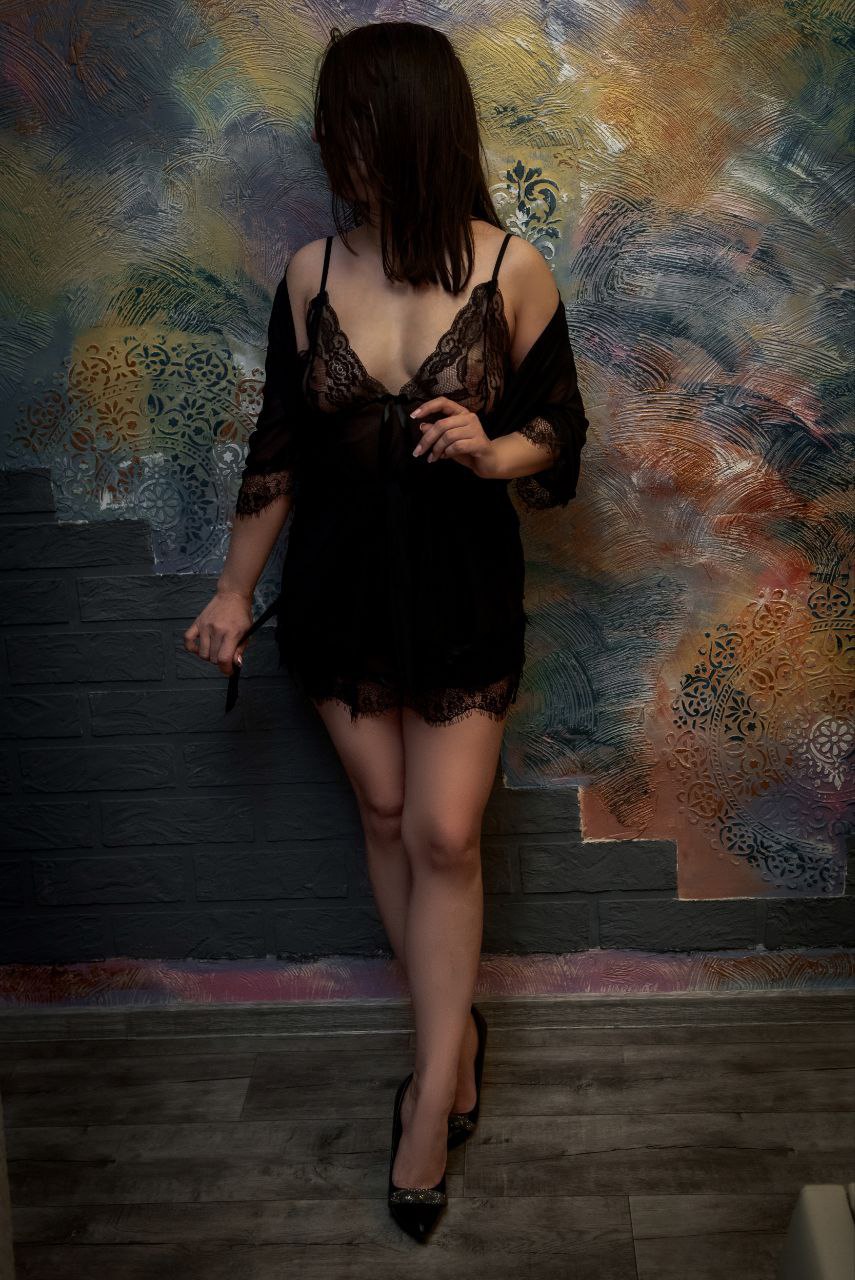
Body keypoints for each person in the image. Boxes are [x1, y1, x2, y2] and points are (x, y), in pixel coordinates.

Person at [184, 20, 588, 1242]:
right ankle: (452, 1043)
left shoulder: (513, 267)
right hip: (340, 595)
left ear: (415, 129)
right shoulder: (309, 273)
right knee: (382, 811)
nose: (335, 148)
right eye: (330, 128)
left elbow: (561, 434)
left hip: (461, 594)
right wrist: (232, 591)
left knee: (444, 831)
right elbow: (278, 452)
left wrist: (491, 448)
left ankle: (427, 1100)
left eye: (355, 126)